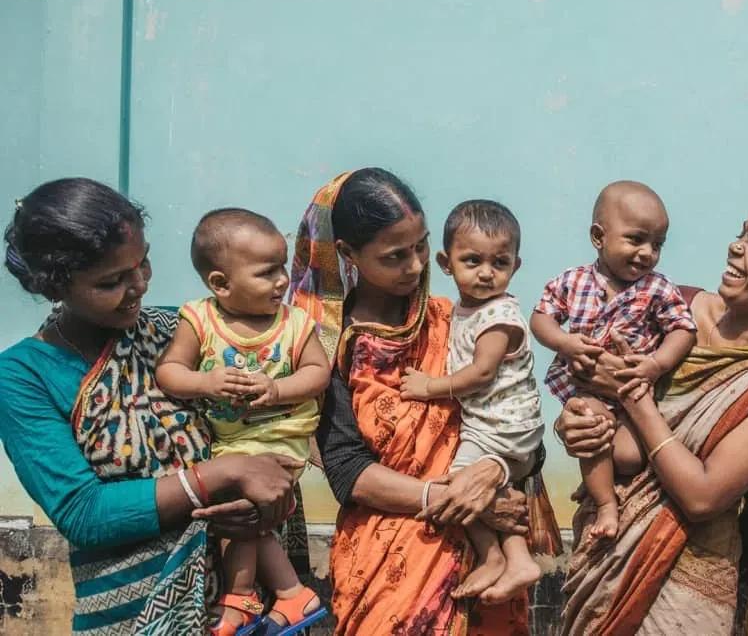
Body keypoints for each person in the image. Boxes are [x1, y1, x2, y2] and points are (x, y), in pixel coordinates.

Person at [0, 179, 301, 635]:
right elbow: (85, 513)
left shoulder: (178, 332)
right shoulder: (24, 375)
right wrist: (222, 475)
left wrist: (268, 491)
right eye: (112, 281)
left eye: (142, 264)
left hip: (245, 607)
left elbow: (261, 429)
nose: (138, 285)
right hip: (133, 616)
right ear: (56, 286)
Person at [557, 196, 748, 634]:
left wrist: (636, 398)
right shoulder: (671, 308)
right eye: (741, 235)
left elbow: (703, 496)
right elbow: (586, 383)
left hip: (686, 585)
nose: (736, 248)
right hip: (602, 557)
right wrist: (574, 422)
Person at [288, 168, 561, 635]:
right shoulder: (324, 347)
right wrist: (450, 497)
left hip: (484, 566)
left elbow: (520, 425)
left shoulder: (459, 320)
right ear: (348, 254)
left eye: (420, 247)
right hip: (389, 560)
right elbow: (346, 469)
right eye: (395, 256)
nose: (415, 266)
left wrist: (494, 472)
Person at [156, 208, 331, 635]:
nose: (281, 281)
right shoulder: (199, 319)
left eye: (281, 267)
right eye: (266, 272)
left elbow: (318, 372)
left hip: (281, 438)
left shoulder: (294, 323)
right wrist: (206, 381)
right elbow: (169, 371)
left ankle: (240, 599)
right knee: (244, 518)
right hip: (230, 443)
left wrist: (277, 390)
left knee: (242, 510)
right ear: (220, 283)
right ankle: (291, 594)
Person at [531, 180, 697, 540]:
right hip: (588, 388)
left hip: (636, 390)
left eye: (657, 244)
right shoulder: (572, 281)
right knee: (590, 430)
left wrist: (656, 365)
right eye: (636, 239)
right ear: (598, 237)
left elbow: (683, 329)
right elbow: (541, 319)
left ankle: (600, 482)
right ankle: (606, 503)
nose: (647, 253)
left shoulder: (657, 288)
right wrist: (565, 342)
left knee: (628, 457)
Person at [398, 200, 543, 602]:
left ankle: (494, 556)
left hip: (502, 428)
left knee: (461, 485)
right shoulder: (466, 309)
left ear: (515, 266)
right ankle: (514, 559)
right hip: (497, 426)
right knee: (475, 488)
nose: (486, 272)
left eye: (500, 262)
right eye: (473, 260)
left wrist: (429, 387)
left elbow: (481, 373)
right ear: (446, 263)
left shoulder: (498, 317)